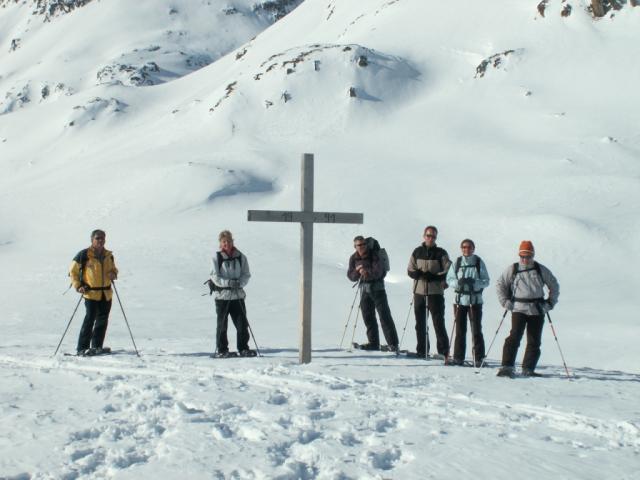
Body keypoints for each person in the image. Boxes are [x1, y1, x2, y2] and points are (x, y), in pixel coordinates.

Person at [495, 241, 559, 377]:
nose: (525, 259)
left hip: (537, 309)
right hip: (518, 308)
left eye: (528, 256)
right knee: (514, 337)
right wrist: (505, 301)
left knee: (534, 340)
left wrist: (550, 303)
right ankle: (507, 367)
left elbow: (554, 285)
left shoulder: (540, 269)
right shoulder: (513, 269)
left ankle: (528, 369)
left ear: (533, 255)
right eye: (522, 256)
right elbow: (500, 284)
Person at [69, 229, 118, 356]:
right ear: (92, 239)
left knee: (102, 320)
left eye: (102, 238)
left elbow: (114, 269)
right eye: (97, 238)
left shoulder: (109, 255)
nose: (100, 240)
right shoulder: (84, 255)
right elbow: (73, 272)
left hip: (106, 293)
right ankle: (82, 348)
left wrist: (113, 274)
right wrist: (78, 286)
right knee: (89, 319)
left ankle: (97, 346)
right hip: (90, 293)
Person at [347, 236, 399, 351]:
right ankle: (373, 343)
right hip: (364, 290)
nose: (362, 247)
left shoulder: (374, 255)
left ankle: (393, 344)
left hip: (378, 289)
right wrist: (357, 271)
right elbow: (350, 276)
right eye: (359, 245)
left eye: (364, 244)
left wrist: (365, 271)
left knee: (384, 316)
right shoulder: (353, 258)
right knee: (368, 317)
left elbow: (378, 272)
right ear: (355, 246)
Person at [407, 226, 452, 358]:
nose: (430, 238)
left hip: (435, 292)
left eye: (433, 236)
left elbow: (448, 270)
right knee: (420, 323)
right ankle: (422, 350)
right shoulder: (417, 251)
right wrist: (417, 274)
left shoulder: (441, 253)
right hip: (419, 292)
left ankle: (443, 352)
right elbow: (410, 269)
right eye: (428, 235)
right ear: (424, 236)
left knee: (438, 322)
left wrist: (434, 276)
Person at [446, 239, 490, 366]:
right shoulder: (458, 262)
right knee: (460, 330)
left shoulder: (478, 262)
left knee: (476, 329)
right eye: (464, 247)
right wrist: (458, 283)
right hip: (460, 300)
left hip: (475, 300)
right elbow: (449, 279)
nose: (466, 249)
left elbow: (486, 281)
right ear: (461, 249)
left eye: (469, 247)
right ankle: (458, 357)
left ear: (473, 248)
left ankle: (479, 358)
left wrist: (474, 283)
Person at [210, 230, 254, 357]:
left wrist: (239, 283)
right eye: (224, 241)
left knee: (242, 324)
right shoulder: (216, 257)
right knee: (222, 326)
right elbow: (214, 276)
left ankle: (243, 348)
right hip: (222, 297)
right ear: (220, 243)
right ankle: (222, 350)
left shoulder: (241, 257)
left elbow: (246, 274)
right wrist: (229, 283)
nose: (226, 244)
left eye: (228, 241)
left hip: (237, 296)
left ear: (232, 241)